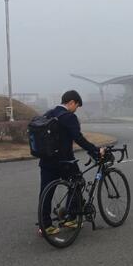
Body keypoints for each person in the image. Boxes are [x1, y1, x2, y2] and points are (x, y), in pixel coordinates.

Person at [38, 90, 104, 235]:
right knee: (78, 182)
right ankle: (71, 218)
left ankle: (45, 226)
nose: (76, 109)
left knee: (46, 192)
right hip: (64, 160)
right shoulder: (69, 117)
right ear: (72, 102)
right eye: (77, 106)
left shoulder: (48, 114)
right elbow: (78, 138)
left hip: (46, 160)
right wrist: (95, 150)